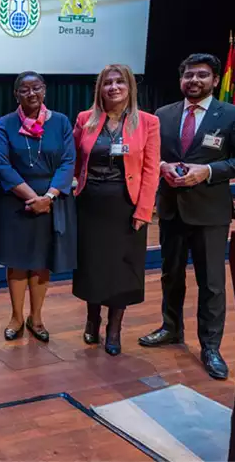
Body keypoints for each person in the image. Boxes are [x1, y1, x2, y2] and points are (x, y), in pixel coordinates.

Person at [139, 53, 235, 379]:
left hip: (210, 212)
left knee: (211, 283)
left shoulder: (234, 115)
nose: (194, 81)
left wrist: (209, 171)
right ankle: (171, 328)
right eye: (188, 75)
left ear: (215, 80)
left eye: (201, 75)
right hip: (171, 208)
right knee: (171, 275)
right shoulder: (162, 114)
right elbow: (151, 153)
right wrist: (161, 167)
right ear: (181, 79)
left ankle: (211, 346)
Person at [73, 64, 160, 356]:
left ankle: (114, 329)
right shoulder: (85, 119)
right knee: (92, 266)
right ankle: (92, 319)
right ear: (100, 89)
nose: (113, 87)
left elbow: (150, 171)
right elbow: (74, 161)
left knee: (122, 269)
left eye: (119, 82)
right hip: (90, 205)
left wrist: (143, 211)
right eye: (107, 82)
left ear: (130, 87)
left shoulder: (148, 122)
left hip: (127, 206)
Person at [0, 71, 76, 343]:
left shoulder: (59, 122)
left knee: (41, 262)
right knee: (16, 263)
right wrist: (31, 198)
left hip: (51, 201)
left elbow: (68, 162)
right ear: (16, 95)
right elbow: (1, 164)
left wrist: (48, 197)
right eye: (24, 90)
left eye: (36, 88)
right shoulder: (5, 123)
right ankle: (16, 316)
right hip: (15, 202)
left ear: (44, 90)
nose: (31, 94)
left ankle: (36, 318)